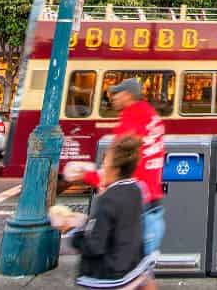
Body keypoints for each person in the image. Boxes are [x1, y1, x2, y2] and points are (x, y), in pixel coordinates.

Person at [65, 78, 165, 290]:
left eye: (117, 93)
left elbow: (116, 165)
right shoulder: (152, 116)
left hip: (135, 206)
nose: (113, 98)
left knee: (128, 275)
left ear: (128, 95)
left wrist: (85, 175)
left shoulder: (131, 119)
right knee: (142, 274)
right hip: (151, 203)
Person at [52, 136, 154, 289]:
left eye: (104, 164)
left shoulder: (108, 199)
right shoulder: (137, 189)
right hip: (131, 269)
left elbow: (95, 246)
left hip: (109, 276)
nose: (101, 169)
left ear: (116, 169)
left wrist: (72, 231)